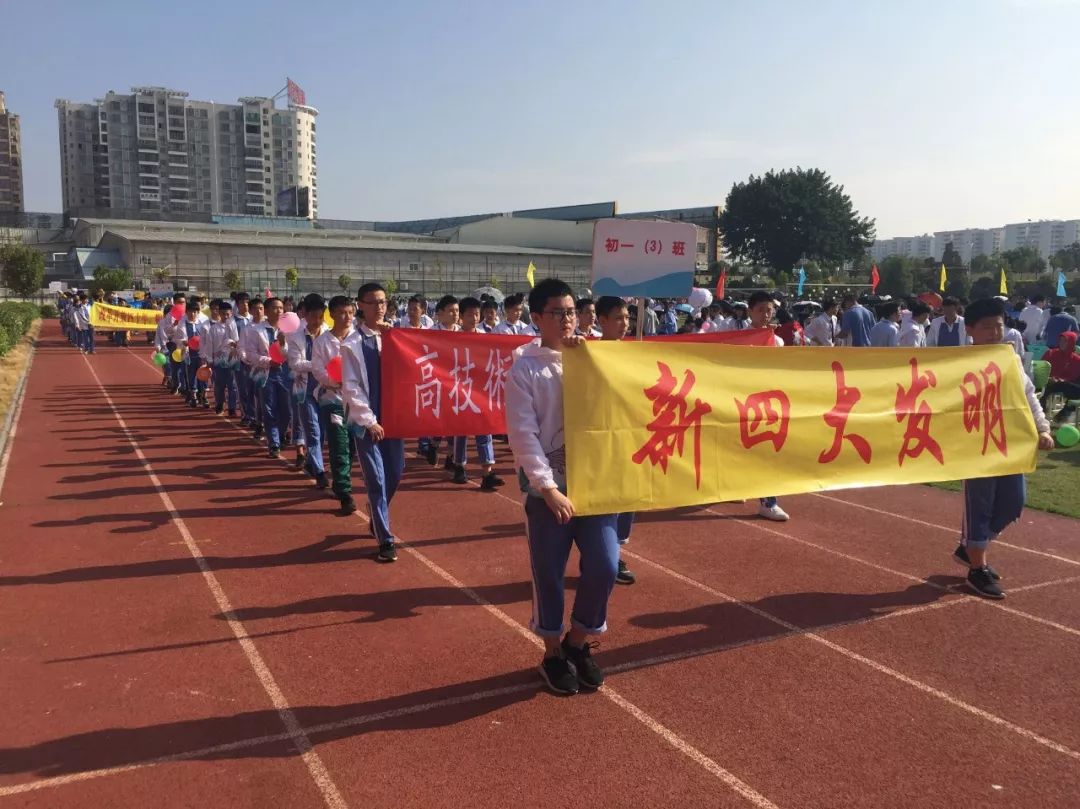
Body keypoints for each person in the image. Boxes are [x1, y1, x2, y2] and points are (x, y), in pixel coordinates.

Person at [506, 277, 619, 695]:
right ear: (537, 318)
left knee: (606, 565)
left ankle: (578, 642)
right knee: (549, 573)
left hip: (596, 486)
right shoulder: (525, 368)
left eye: (572, 311)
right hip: (549, 492)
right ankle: (553, 652)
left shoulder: (595, 357)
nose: (568, 319)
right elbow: (522, 433)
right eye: (558, 312)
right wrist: (547, 487)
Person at [952, 297, 1054, 599]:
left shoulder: (1009, 359)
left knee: (1013, 503)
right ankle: (977, 567)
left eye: (999, 325)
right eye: (987, 327)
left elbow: (1028, 395)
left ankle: (970, 546)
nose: (995, 332)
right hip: (976, 448)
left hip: (1009, 445)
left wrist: (1043, 427)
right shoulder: (957, 364)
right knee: (980, 506)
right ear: (970, 329)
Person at [341, 282, 406, 563]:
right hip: (367, 422)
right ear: (361, 305)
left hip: (394, 418)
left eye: (382, 301)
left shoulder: (395, 337)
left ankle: (377, 511)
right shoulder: (352, 344)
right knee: (377, 479)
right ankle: (385, 539)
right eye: (372, 302)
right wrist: (368, 420)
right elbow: (351, 387)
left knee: (396, 473)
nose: (379, 307)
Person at [596, 295, 637, 585]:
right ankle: (599, 552)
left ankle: (616, 550)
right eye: (619, 318)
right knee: (603, 499)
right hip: (599, 439)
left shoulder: (635, 354)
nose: (625, 324)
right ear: (602, 321)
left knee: (627, 497)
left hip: (630, 437)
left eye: (627, 318)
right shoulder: (586, 351)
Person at [448, 297, 505, 490]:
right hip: (459, 389)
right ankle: (459, 465)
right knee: (461, 431)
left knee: (484, 429)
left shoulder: (485, 336)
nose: (474, 317)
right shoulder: (451, 337)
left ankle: (487, 472)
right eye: (470, 314)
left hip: (480, 390)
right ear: (461, 316)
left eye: (476, 314)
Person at [744, 291, 790, 521]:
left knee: (766, 452)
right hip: (740, 403)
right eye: (761, 309)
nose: (766, 314)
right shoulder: (738, 339)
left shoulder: (778, 341)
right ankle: (736, 485)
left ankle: (768, 501)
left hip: (767, 406)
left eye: (769, 309)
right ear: (750, 311)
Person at [311, 295, 357, 508]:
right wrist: (334, 381)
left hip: (357, 401)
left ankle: (341, 480)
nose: (347, 317)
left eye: (350, 312)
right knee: (339, 444)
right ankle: (344, 491)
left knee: (353, 446)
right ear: (333, 315)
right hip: (332, 400)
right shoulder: (322, 341)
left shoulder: (358, 338)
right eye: (342, 313)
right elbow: (318, 369)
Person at [287, 293, 330, 485]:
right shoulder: (296, 336)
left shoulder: (329, 332)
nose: (317, 320)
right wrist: (318, 365)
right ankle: (320, 472)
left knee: (321, 430)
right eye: (314, 316)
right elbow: (295, 363)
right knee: (312, 429)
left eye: (321, 316)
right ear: (305, 315)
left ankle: (314, 462)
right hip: (305, 388)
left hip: (326, 388)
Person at [251, 298, 292, 458]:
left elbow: (293, 353)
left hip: (286, 373)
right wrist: (268, 361)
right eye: (275, 308)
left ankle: (281, 434)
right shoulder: (256, 330)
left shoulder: (289, 330)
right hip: (266, 373)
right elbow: (251, 353)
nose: (279, 311)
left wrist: (283, 344)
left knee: (287, 411)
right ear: (266, 311)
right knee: (269, 409)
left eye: (281, 308)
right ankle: (273, 443)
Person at [204, 299, 240, 416]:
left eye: (228, 314)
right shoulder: (214, 329)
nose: (226, 316)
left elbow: (237, 341)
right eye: (224, 314)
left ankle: (232, 408)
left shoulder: (234, 326)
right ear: (219, 314)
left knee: (233, 385)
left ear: (231, 314)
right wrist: (209, 359)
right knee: (219, 385)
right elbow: (209, 345)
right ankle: (219, 404)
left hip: (232, 360)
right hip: (219, 361)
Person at [1040, 331, 1080, 423]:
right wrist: (1049, 378)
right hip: (1049, 384)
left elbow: (1075, 378)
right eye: (1061, 340)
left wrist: (1062, 380)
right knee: (1051, 388)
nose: (1062, 343)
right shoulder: (1050, 353)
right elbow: (1041, 370)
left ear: (1071, 343)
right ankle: (1055, 416)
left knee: (1067, 386)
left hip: (1068, 386)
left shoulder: (1077, 360)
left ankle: (1061, 415)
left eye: (1065, 341)